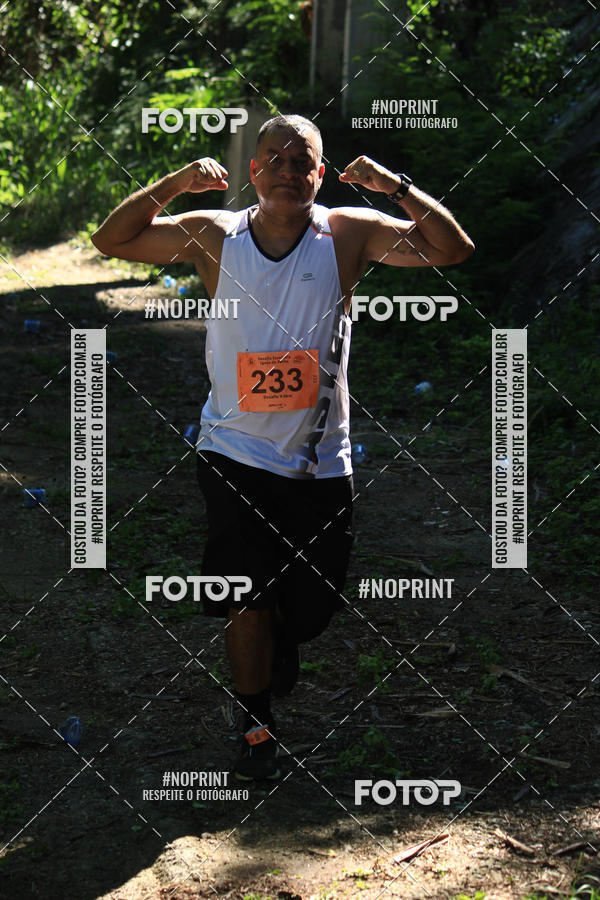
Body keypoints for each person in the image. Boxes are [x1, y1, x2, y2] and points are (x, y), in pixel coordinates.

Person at [92, 114, 474, 781]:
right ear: (254, 171)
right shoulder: (216, 234)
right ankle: (255, 727)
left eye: (303, 163)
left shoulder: (348, 232)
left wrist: (394, 186)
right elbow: (111, 238)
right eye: (275, 159)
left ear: (320, 175)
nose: (288, 172)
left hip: (321, 460)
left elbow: (452, 248)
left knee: (311, 607)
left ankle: (281, 638)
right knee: (248, 596)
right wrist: (177, 182)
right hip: (233, 450)